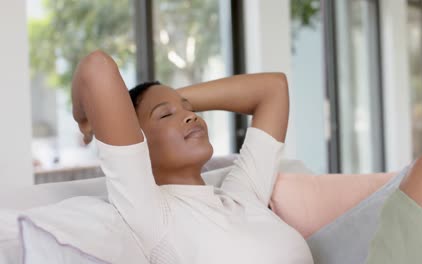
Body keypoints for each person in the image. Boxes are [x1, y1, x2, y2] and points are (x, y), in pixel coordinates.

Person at [71, 50, 314, 264]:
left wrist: (168, 99)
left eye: (191, 109)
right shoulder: (151, 211)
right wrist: (85, 119)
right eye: (165, 115)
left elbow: (274, 88)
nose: (191, 117)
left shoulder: (241, 194)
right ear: (139, 141)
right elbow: (97, 66)